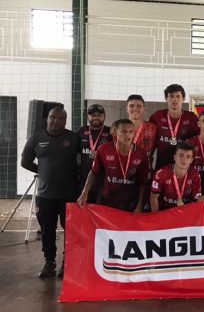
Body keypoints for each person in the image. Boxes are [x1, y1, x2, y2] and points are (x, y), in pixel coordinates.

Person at [20, 105, 81, 278]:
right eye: (53, 117)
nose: (56, 121)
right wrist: (42, 171)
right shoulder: (36, 138)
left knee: (71, 230)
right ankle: (50, 262)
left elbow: (82, 162)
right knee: (47, 230)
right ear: (47, 118)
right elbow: (25, 162)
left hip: (70, 194)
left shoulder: (73, 138)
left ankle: (67, 262)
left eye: (61, 118)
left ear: (65, 121)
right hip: (46, 196)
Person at [77, 119, 149, 212]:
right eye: (123, 131)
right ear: (115, 132)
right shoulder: (104, 149)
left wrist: (140, 204)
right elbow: (94, 172)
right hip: (107, 200)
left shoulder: (142, 153)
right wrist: (84, 193)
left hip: (131, 202)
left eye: (130, 131)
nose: (127, 135)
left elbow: (143, 182)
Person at [149, 84, 200, 170]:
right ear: (166, 98)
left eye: (178, 96)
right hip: (162, 166)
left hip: (184, 167)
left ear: (183, 99)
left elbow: (201, 137)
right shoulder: (157, 116)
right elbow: (148, 137)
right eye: (171, 96)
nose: (174, 99)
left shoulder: (192, 118)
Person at [150, 141, 202, 211]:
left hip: (185, 212)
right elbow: (153, 197)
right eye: (181, 155)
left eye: (188, 157)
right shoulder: (161, 174)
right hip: (164, 212)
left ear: (191, 160)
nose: (184, 159)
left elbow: (195, 201)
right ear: (174, 157)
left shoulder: (195, 175)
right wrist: (157, 216)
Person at [77, 104, 112, 203]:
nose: (96, 118)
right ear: (87, 117)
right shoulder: (81, 131)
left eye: (99, 115)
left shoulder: (110, 132)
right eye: (92, 115)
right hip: (83, 181)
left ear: (104, 116)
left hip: (103, 182)